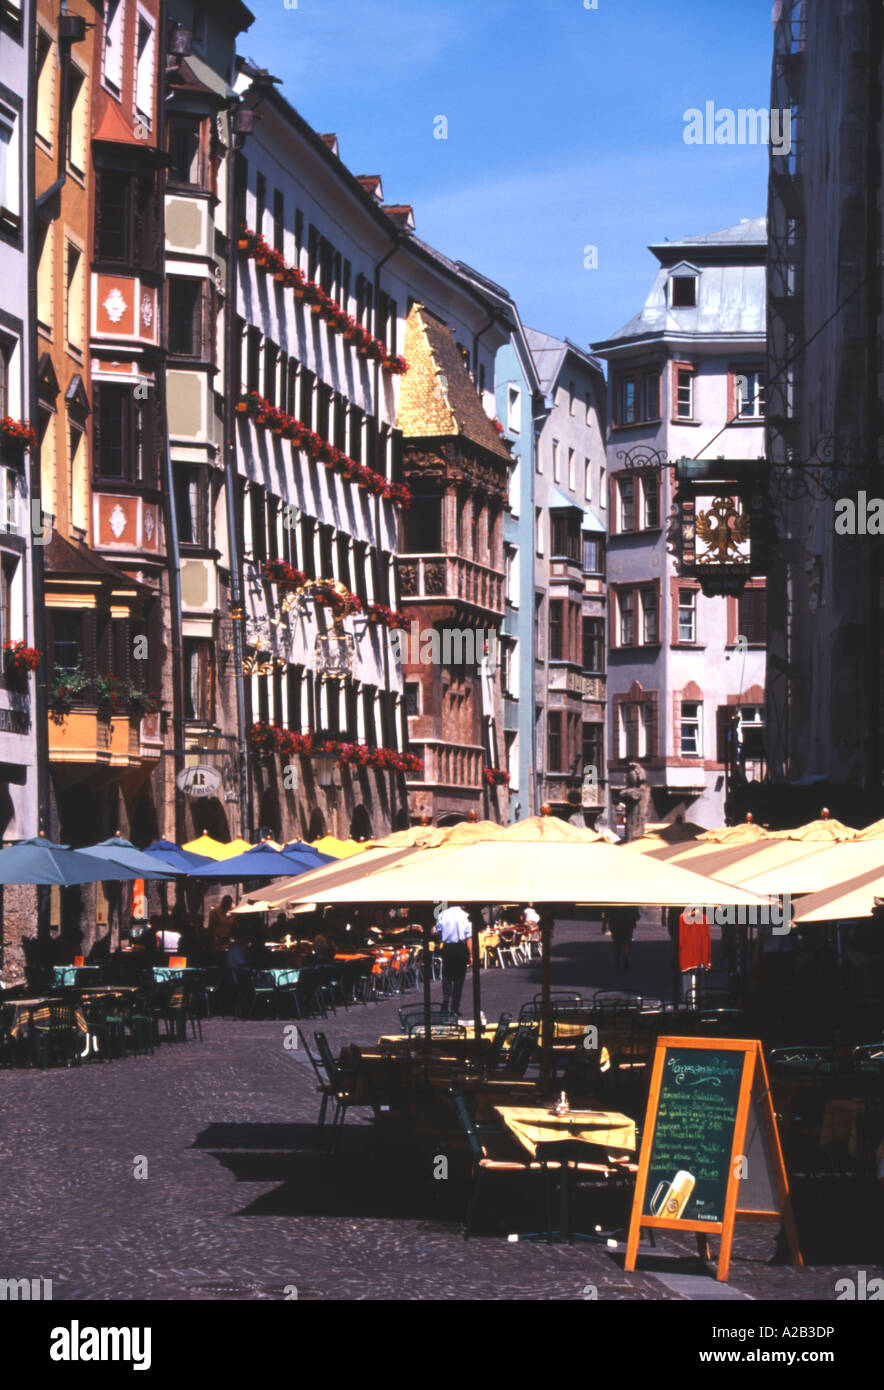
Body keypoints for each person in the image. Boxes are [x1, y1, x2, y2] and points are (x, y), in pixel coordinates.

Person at [434, 904, 473, 1014]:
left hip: (447, 947)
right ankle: (455, 1006)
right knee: (459, 978)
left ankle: (446, 1000)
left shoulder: (442, 915)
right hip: (460, 947)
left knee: (447, 975)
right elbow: (468, 936)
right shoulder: (464, 915)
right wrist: (471, 954)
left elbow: (438, 932)